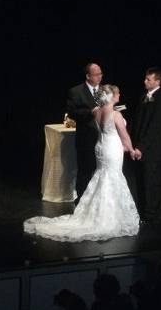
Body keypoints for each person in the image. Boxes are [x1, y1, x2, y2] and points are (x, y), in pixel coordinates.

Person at [24, 84, 140, 241]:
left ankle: (99, 214)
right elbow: (124, 135)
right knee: (112, 178)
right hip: (112, 149)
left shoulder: (96, 111)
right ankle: (108, 218)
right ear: (112, 96)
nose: (119, 95)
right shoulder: (116, 115)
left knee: (102, 177)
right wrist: (132, 149)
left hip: (100, 147)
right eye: (117, 93)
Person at [129, 67, 161, 222]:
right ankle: (141, 210)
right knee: (140, 179)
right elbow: (137, 121)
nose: (145, 81)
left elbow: (155, 127)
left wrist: (142, 147)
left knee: (151, 180)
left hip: (151, 149)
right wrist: (132, 143)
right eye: (145, 79)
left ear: (157, 81)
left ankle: (151, 213)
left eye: (149, 79)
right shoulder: (143, 97)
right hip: (138, 146)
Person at [66, 63, 103, 203]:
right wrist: (91, 112)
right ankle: (82, 201)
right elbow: (72, 112)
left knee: (100, 170)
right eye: (96, 74)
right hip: (86, 137)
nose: (100, 76)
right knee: (85, 170)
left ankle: (97, 200)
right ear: (88, 76)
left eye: (101, 73)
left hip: (103, 137)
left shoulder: (105, 90)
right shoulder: (76, 91)